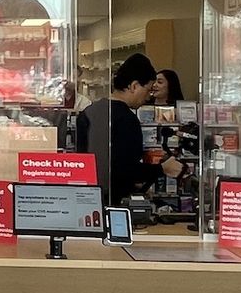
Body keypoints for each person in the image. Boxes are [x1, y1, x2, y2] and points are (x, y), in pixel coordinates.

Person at [76, 53, 184, 205]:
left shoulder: (88, 112)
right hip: (116, 201)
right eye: (148, 90)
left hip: (86, 197)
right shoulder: (127, 119)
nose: (148, 96)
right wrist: (162, 168)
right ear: (134, 86)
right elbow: (126, 171)